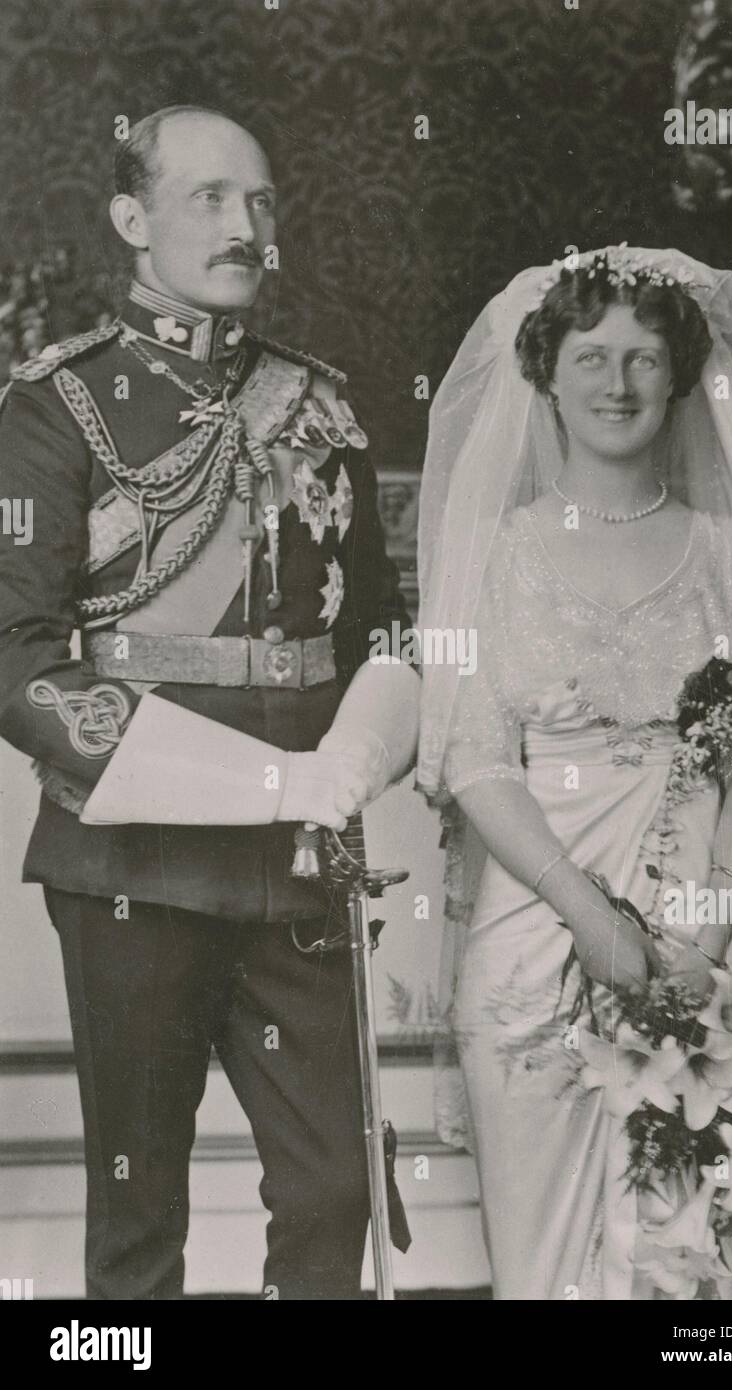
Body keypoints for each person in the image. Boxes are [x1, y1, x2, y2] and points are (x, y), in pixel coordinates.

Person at [0, 105, 419, 1300]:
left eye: (262, 201)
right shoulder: (53, 405)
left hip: (300, 859)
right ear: (132, 220)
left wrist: (354, 759)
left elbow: (380, 627)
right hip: (134, 859)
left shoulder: (319, 403)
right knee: (137, 1215)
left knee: (336, 1187)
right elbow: (15, 652)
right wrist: (273, 781)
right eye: (209, 199)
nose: (247, 226)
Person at [415, 244, 732, 1299]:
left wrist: (707, 930)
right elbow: (474, 758)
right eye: (591, 354)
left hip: (710, 923)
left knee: (708, 1253)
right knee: (543, 1259)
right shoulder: (496, 551)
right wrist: (592, 920)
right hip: (538, 929)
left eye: (645, 358)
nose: (618, 383)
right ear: (546, 372)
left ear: (681, 374)